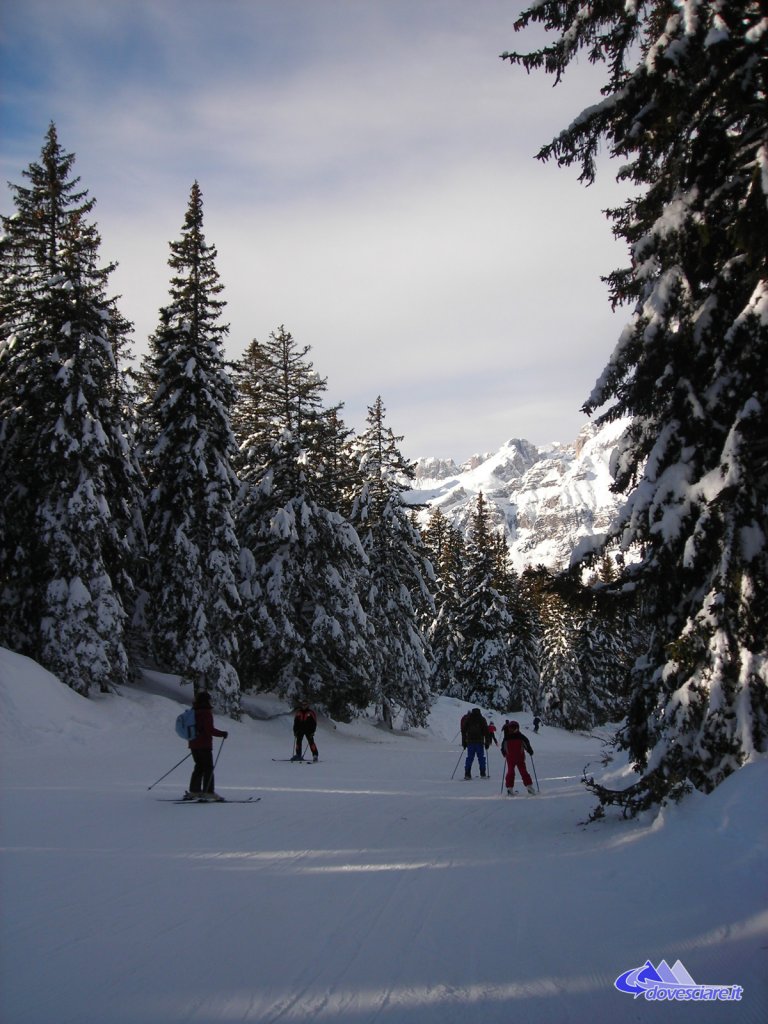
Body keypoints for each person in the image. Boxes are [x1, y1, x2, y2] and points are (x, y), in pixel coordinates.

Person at [185, 690, 228, 800]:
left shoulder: (193, 711)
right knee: (208, 768)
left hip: (193, 743)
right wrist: (222, 734)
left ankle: (194, 791)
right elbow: (209, 730)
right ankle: (208, 792)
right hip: (204, 745)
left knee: (199, 767)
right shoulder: (206, 713)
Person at [501, 720, 535, 795]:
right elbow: (527, 744)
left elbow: (503, 747)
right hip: (520, 757)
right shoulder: (521, 736)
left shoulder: (507, 737)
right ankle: (529, 787)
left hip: (510, 758)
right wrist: (530, 751)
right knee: (523, 772)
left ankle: (509, 788)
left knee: (510, 772)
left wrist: (504, 753)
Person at [460, 707, 490, 779]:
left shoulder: (468, 719)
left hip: (470, 742)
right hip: (479, 742)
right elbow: (486, 731)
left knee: (469, 758)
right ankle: (483, 773)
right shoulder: (482, 719)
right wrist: (487, 742)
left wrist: (464, 742)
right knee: (481, 758)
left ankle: (467, 773)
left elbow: (463, 730)